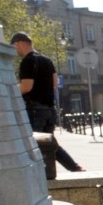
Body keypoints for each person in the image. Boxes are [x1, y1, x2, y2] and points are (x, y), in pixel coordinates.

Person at [10, 32, 85, 172]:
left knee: (33, 143)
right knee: (49, 142)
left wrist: (9, 91)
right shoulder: (46, 60)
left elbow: (26, 87)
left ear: (20, 43)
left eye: (14, 46)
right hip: (50, 109)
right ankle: (74, 166)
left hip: (34, 109)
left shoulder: (27, 61)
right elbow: (55, 82)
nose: (14, 50)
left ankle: (38, 174)